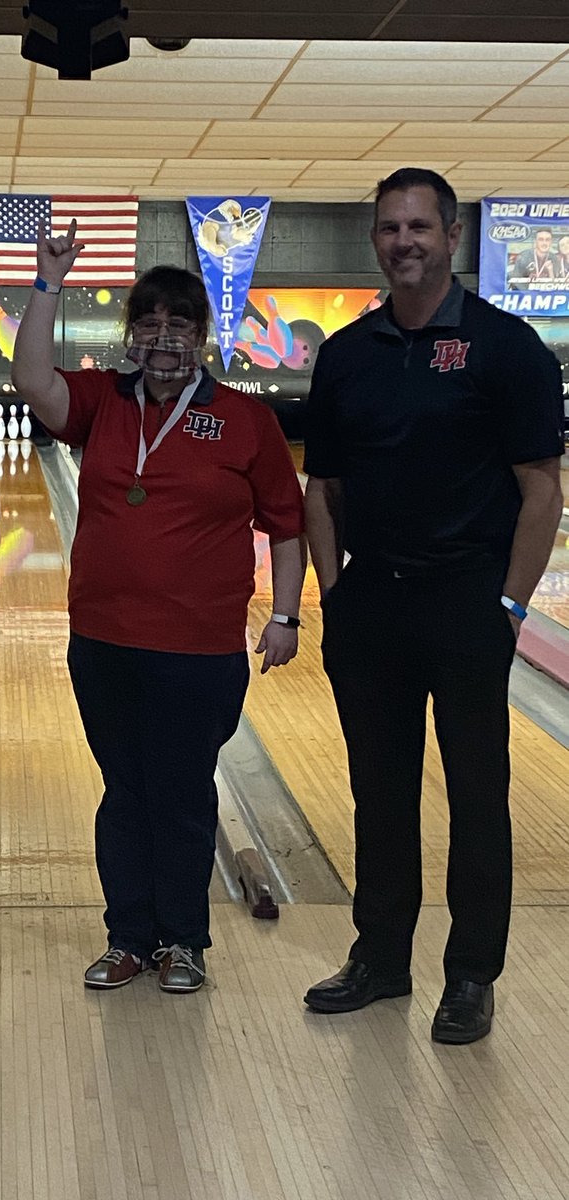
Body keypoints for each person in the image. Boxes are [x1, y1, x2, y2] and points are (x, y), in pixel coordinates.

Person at [303, 168, 564, 1044]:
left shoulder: (506, 347)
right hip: (373, 600)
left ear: (452, 235)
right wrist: (334, 595)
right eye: (388, 227)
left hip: (465, 602)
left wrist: (510, 608)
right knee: (378, 791)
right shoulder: (345, 355)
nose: (403, 241)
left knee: (477, 794)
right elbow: (324, 486)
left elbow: (541, 490)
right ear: (375, 240)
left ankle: (470, 976)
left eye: (419, 226)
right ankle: (380, 958)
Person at [11, 223, 306, 994]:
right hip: (104, 641)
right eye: (148, 322)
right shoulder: (102, 401)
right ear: (130, 332)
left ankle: (183, 940)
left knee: (179, 791)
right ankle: (128, 938)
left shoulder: (246, 419)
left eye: (179, 323)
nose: (163, 337)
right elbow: (31, 378)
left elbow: (286, 523)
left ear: (203, 335)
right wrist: (48, 283)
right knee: (124, 790)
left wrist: (286, 615)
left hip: (200, 648)